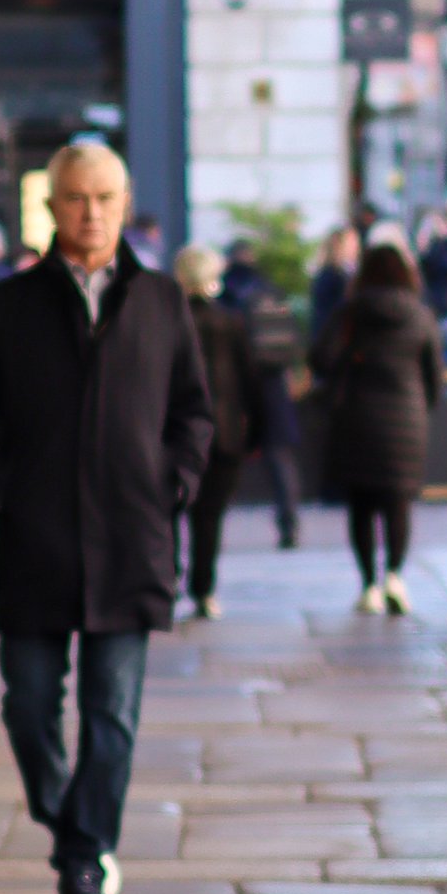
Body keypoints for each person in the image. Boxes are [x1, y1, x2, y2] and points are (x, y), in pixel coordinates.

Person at [0, 136, 211, 894]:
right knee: (28, 707)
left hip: (132, 541)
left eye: (104, 198)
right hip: (37, 541)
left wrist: (171, 484)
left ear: (123, 205)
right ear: (52, 207)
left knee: (112, 713)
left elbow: (194, 411)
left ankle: (83, 867)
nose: (90, 212)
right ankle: (75, 829)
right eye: (75, 198)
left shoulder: (163, 301)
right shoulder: (7, 305)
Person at [316, 229, 446, 614]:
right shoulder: (420, 315)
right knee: (398, 503)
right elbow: (434, 375)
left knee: (361, 505)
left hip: (357, 417)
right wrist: (421, 408)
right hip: (406, 417)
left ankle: (368, 584)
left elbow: (320, 358)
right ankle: (395, 575)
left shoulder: (351, 312)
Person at [175, 242, 259, 617]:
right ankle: (204, 589)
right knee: (209, 516)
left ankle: (168, 577)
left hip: (174, 432)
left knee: (167, 510)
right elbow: (249, 380)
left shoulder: (170, 322)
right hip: (223, 433)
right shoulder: (231, 322)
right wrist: (255, 432)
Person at [220, 237, 305, 546]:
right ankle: (289, 524)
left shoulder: (226, 290)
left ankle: (210, 526)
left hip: (233, 386)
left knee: (220, 458)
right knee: (279, 457)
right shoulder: (270, 290)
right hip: (272, 385)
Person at [308, 217, 363, 347]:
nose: (357, 248)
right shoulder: (335, 276)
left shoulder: (326, 274)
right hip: (334, 343)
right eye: (353, 243)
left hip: (324, 341)